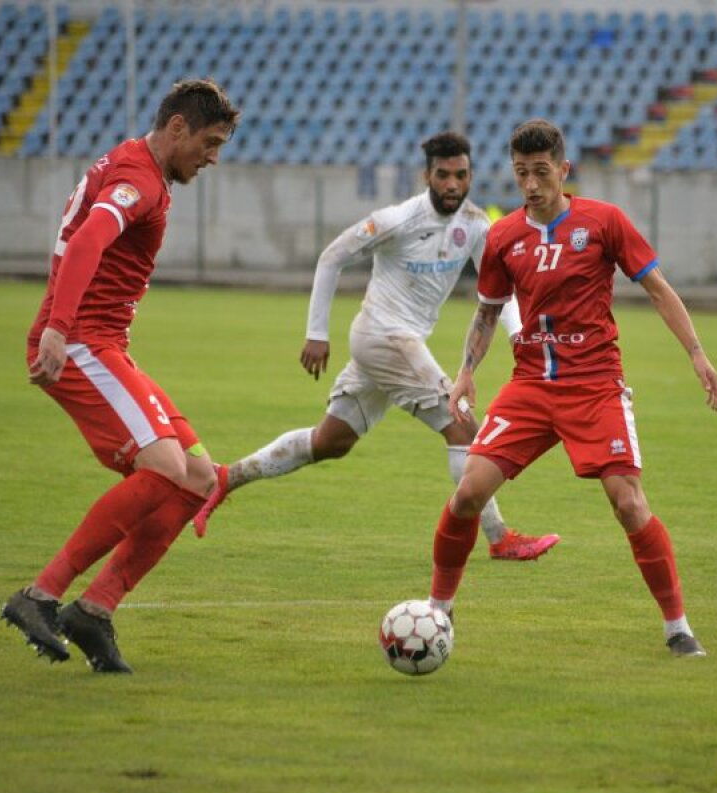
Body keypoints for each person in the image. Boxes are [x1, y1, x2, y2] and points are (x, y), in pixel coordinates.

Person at [427, 120, 717, 658]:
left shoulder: (604, 222)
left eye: (542, 172)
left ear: (563, 170)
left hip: (595, 388)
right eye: (522, 173)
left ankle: (677, 627)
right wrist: (466, 369)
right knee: (469, 491)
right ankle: (437, 615)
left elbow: (657, 288)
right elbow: (488, 313)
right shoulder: (504, 236)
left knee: (628, 502)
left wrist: (697, 353)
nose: (532, 184)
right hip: (531, 386)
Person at [193, 132, 560, 561]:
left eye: (460, 176)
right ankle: (500, 538)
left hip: (395, 345)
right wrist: (317, 332)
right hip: (385, 336)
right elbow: (331, 256)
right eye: (442, 176)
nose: (452, 185)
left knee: (331, 441)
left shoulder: (476, 225)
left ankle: (225, 477)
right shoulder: (398, 220)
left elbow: (498, 294)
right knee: (462, 425)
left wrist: (519, 337)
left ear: (470, 176)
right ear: (427, 175)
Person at [0, 79, 240, 673]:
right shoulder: (139, 178)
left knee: (198, 477)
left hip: (105, 346)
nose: (212, 158)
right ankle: (41, 595)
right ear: (177, 127)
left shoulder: (138, 170)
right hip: (82, 343)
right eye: (209, 143)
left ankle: (96, 610)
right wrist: (58, 327)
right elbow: (88, 240)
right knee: (162, 466)